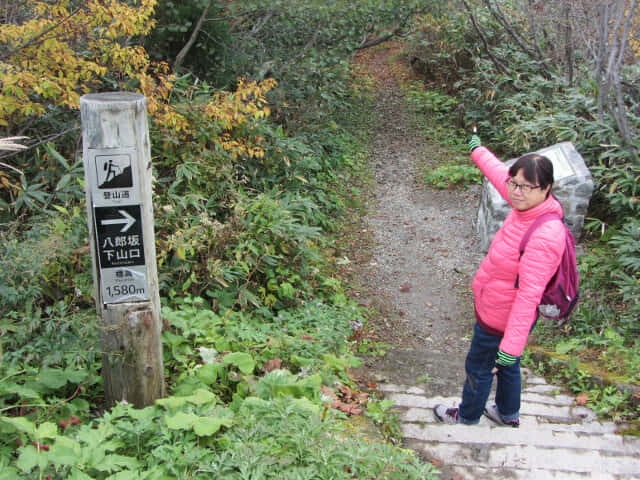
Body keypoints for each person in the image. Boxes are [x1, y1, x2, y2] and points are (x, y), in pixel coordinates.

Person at [434, 133, 566, 427]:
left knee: (479, 367)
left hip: (501, 316)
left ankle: (466, 417)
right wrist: (477, 150)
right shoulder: (529, 206)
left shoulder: (544, 235)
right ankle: (507, 413)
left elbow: (529, 294)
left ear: (546, 188)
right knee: (507, 365)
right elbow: (498, 174)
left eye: (525, 187)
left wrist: (511, 344)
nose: (516, 192)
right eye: (514, 184)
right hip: (500, 307)